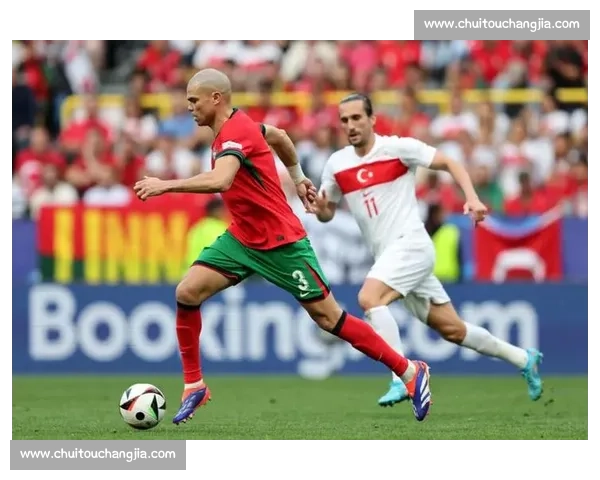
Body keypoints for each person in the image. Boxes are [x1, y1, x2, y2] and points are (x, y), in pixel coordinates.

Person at [133, 69, 433, 425]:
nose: (189, 107)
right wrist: (298, 176)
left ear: (216, 98)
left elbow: (222, 179)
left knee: (330, 319)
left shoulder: (235, 133)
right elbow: (279, 136)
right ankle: (194, 385)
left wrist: (165, 185)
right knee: (187, 292)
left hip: (281, 242)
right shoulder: (240, 127)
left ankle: (409, 370)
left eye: (193, 100)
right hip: (243, 238)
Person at [312, 93, 544, 408]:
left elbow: (449, 162)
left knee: (369, 299)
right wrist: (321, 209)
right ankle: (523, 358)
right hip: (389, 257)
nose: (350, 125)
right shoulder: (337, 164)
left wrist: (472, 197)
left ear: (372, 119)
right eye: (344, 120)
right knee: (453, 329)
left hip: (412, 244)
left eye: (356, 118)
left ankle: (402, 377)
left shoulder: (397, 148)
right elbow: (327, 213)